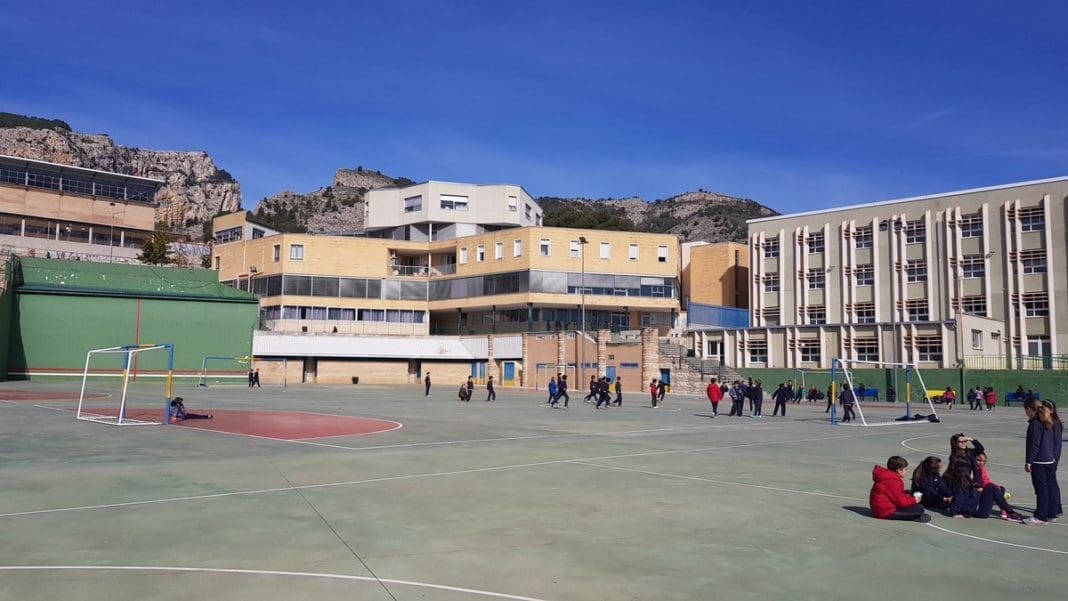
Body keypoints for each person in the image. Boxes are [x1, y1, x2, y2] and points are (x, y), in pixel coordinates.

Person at [1024, 399, 1063, 524]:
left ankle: (1040, 516)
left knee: (1041, 489)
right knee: (1049, 487)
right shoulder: (1048, 421)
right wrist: (1053, 458)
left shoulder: (1036, 423)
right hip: (1049, 460)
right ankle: (1052, 512)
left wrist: (1028, 461)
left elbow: (1034, 444)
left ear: (1029, 409)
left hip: (1040, 461)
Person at [869, 456, 929, 522]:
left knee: (908, 495)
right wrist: (915, 500)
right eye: (905, 469)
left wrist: (911, 498)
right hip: (886, 512)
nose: (906, 471)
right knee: (919, 508)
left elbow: (898, 496)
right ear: (899, 470)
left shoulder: (887, 476)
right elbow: (901, 502)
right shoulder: (894, 481)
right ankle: (915, 516)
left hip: (879, 508)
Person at [975, 452, 1025, 521]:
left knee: (1000, 488)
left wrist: (994, 486)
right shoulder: (969, 470)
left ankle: (1004, 510)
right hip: (973, 506)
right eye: (978, 460)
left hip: (981, 497)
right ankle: (1010, 512)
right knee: (993, 488)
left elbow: (986, 481)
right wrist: (977, 489)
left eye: (983, 461)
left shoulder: (981, 469)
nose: (981, 463)